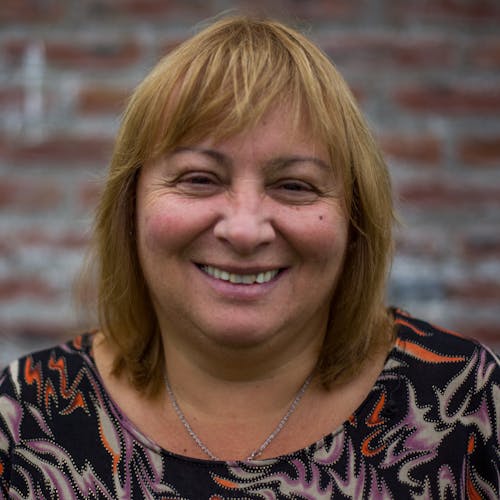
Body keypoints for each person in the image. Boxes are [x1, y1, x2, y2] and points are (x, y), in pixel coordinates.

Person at [0, 15, 498, 499]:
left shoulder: (466, 408)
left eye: (294, 186)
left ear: (355, 220)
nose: (243, 230)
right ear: (130, 207)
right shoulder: (25, 420)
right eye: (199, 179)